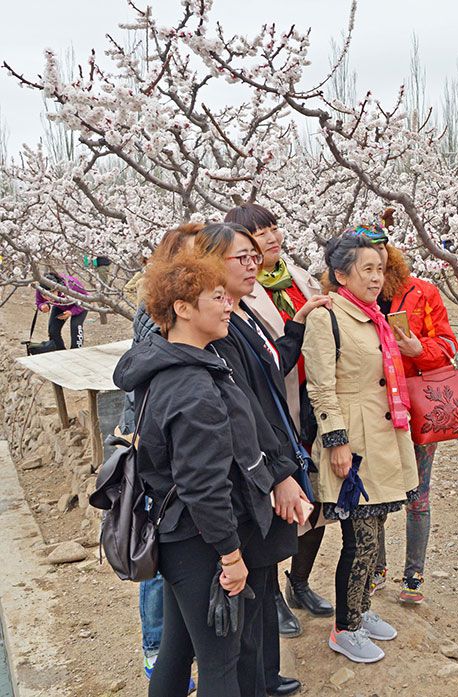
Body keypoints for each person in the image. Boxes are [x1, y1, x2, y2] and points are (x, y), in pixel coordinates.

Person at [113, 250, 269, 697]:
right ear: (183, 309)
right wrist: (231, 556)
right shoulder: (193, 387)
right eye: (216, 297)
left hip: (176, 535)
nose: (228, 306)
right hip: (201, 543)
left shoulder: (163, 366)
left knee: (179, 651)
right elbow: (203, 486)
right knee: (222, 664)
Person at [197, 221, 326, 697]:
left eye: (256, 255)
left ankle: (266, 679)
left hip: (274, 458)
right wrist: (278, 473)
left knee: (264, 583)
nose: (254, 263)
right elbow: (243, 409)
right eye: (242, 257)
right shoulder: (217, 327)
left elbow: (271, 371)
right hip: (252, 477)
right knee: (247, 606)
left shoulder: (243, 313)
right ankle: (257, 683)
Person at [301, 233, 419, 663]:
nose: (376, 278)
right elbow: (322, 388)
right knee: (360, 539)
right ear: (340, 274)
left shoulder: (373, 314)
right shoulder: (328, 317)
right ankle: (344, 627)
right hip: (355, 442)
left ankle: (361, 609)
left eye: (380, 269)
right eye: (367, 269)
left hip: (384, 435)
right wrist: (336, 443)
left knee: (375, 533)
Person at [224, 203, 333, 636]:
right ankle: (269, 591)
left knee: (318, 501)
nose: (270, 240)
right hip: (277, 409)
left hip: (314, 404)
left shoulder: (299, 278)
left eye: (272, 229)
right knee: (282, 504)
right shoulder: (239, 297)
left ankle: (299, 582)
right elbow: (267, 364)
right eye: (256, 236)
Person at [114, 224, 200, 693]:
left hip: (158, 443)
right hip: (153, 449)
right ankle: (155, 647)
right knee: (155, 549)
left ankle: (166, 650)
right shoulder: (159, 312)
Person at [357, 224, 458, 605]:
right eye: (365, 257)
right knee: (375, 495)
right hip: (369, 411)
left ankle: (413, 574)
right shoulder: (349, 302)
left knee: (419, 493)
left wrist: (418, 349)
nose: (375, 264)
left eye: (380, 253)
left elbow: (448, 344)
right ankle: (376, 567)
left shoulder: (422, 292)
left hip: (415, 409)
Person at [34, 271, 88, 351]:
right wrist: (42, 306)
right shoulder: (41, 289)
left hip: (79, 305)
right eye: (45, 295)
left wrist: (71, 312)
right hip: (60, 306)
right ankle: (60, 351)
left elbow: (85, 300)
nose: (49, 297)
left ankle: (76, 351)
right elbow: (39, 302)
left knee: (75, 327)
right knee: (53, 330)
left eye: (52, 293)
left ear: (57, 289)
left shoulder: (70, 286)